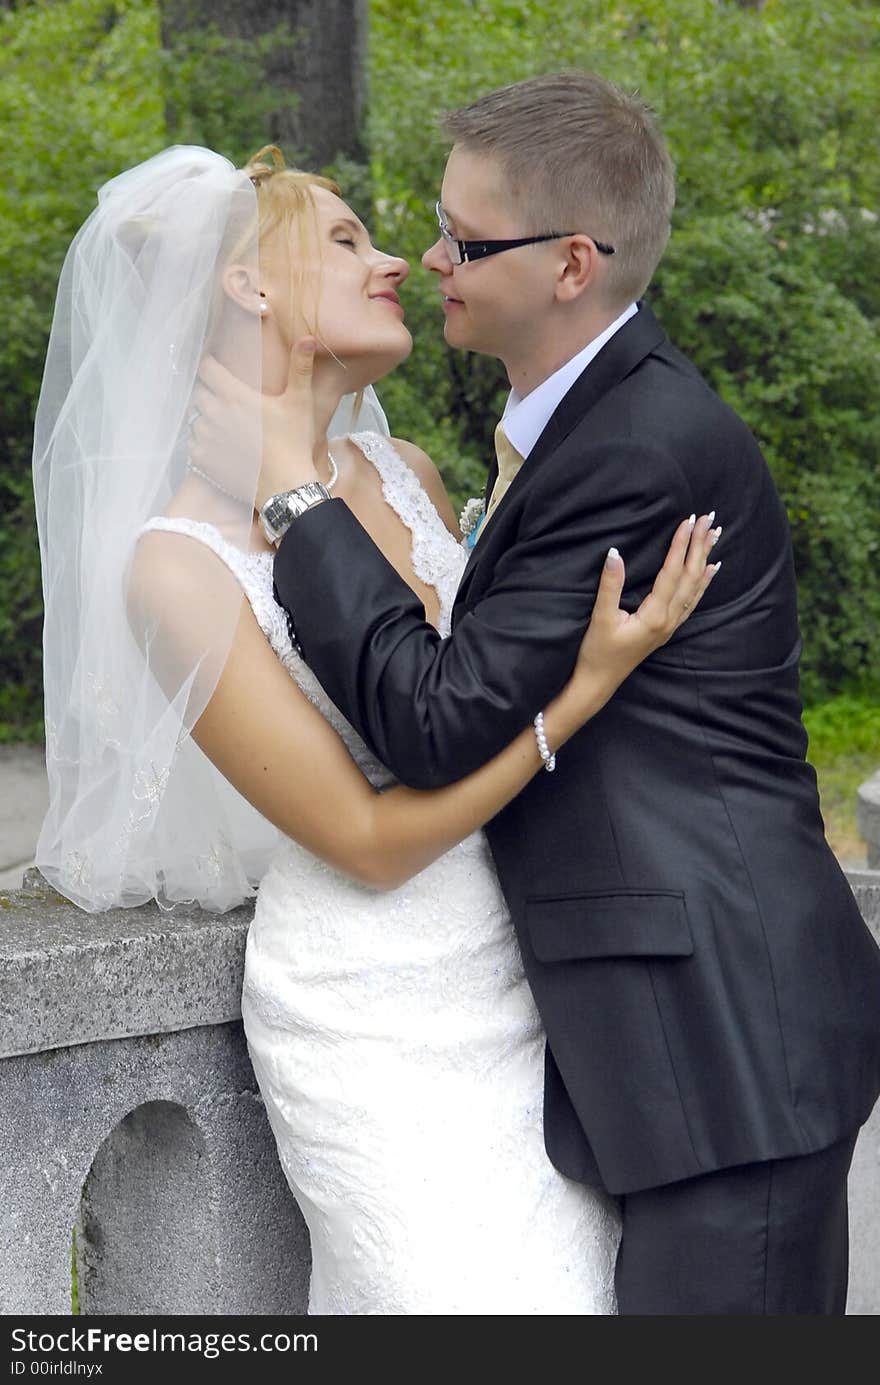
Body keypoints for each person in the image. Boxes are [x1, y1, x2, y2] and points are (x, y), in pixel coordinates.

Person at [231, 74, 880, 1315]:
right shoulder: (573, 423)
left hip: (722, 1035)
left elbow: (431, 718)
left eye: (463, 242)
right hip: (636, 1035)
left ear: (572, 260)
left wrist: (291, 497)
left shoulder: (634, 446)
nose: (428, 259)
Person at [32, 144, 718, 1315]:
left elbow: (450, 698)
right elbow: (366, 838)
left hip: (530, 988)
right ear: (248, 285)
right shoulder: (177, 564)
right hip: (376, 1009)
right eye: (346, 240)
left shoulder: (404, 471)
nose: (396, 258)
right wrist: (580, 694)